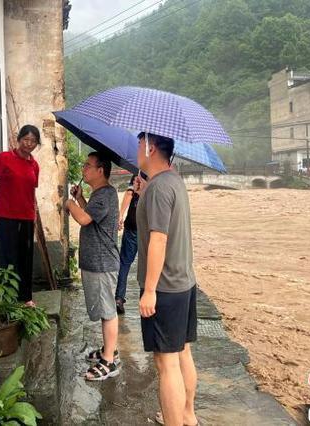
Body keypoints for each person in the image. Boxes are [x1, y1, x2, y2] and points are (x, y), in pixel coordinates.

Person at [136, 132, 199, 426]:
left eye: (140, 144)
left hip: (164, 288)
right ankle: (187, 415)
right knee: (183, 351)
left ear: (150, 147)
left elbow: (158, 240)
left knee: (166, 362)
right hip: (183, 282)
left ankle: (176, 420)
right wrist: (143, 194)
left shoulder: (159, 189)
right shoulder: (172, 181)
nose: (137, 150)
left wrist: (149, 291)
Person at [65, 152, 120, 381]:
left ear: (100, 171)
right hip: (97, 262)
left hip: (102, 263)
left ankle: (108, 361)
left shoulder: (105, 194)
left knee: (108, 311)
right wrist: (79, 199)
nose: (83, 169)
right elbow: (91, 215)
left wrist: (69, 203)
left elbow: (84, 220)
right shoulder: (99, 195)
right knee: (103, 309)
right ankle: (109, 348)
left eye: (88, 166)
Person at [0, 125, 40, 307]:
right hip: (5, 217)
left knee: (26, 257)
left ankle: (26, 297)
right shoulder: (4, 158)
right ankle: (8, 298)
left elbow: (31, 192)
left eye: (33, 141)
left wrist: (34, 216)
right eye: (26, 139)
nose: (29, 144)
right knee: (7, 256)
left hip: (26, 218)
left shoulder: (34, 165)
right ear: (19, 139)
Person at [114, 174, 140, 314]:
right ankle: (150, 298)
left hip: (132, 227)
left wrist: (120, 216)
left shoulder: (138, 173)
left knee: (125, 264)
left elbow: (129, 193)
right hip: (148, 230)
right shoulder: (156, 176)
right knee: (149, 265)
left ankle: (119, 298)